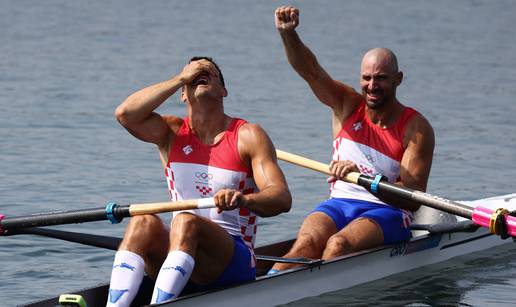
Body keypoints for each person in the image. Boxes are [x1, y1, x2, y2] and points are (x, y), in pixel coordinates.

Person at [107, 56, 292, 306]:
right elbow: (125, 114)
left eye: (209, 72)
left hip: (233, 260)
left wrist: (244, 200)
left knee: (185, 221)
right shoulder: (170, 132)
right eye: (194, 75)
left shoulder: (248, 135)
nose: (200, 74)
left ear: (223, 91)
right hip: (180, 249)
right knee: (142, 221)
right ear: (183, 94)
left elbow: (281, 197)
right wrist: (180, 78)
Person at [270, 6, 435, 273]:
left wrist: (366, 178)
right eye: (366, 78)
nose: (372, 85)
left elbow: (413, 197)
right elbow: (311, 72)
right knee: (305, 245)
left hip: (389, 212)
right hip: (340, 204)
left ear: (398, 79)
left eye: (381, 78)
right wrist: (288, 35)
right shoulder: (346, 105)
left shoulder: (416, 128)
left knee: (337, 245)